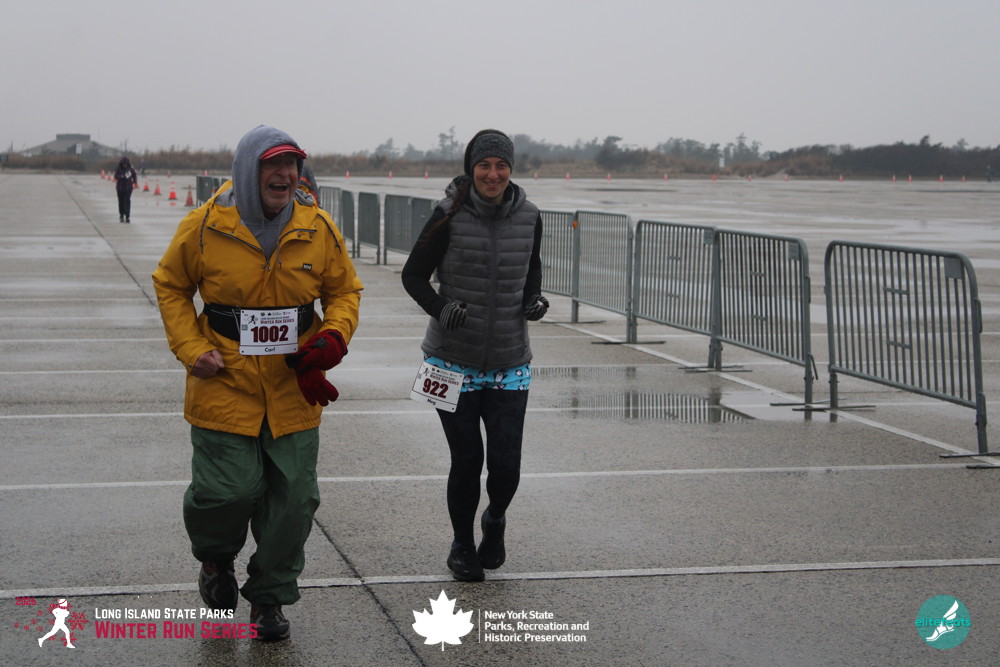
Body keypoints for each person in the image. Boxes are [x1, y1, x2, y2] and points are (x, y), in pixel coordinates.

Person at [152, 125, 362, 641]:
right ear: (249, 171)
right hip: (224, 379)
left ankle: (270, 597)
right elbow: (171, 285)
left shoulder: (318, 227)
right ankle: (215, 560)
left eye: (292, 164)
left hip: (294, 383)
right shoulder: (204, 226)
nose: (285, 174)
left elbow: (344, 291)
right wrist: (191, 348)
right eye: (273, 164)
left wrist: (334, 336)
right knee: (227, 492)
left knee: (295, 500)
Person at [401, 129, 549, 582]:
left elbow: (531, 271)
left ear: (511, 169)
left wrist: (535, 300)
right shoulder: (447, 214)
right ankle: (462, 545)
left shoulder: (530, 216)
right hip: (450, 362)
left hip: (510, 361)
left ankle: (495, 519)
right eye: (484, 165)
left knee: (506, 466)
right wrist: (441, 308)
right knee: (466, 460)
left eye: (501, 165)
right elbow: (413, 276)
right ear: (472, 168)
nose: (493, 174)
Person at [113, 156, 138, 223]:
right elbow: (115, 176)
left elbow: (134, 175)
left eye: (126, 164)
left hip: (128, 188)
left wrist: (135, 182)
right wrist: (121, 177)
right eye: (124, 164)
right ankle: (121, 214)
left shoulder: (131, 169)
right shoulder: (118, 168)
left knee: (127, 201)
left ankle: (127, 215)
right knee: (121, 201)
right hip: (120, 188)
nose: (125, 165)